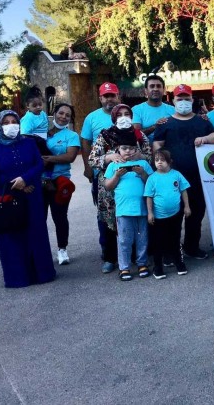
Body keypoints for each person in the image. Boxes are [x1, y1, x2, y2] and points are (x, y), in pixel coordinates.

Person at [0, 110, 56, 288]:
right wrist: (17, 184)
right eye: (6, 122)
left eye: (13, 121)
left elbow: (39, 164)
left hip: (32, 194)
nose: (11, 125)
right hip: (6, 195)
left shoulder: (29, 143)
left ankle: (43, 273)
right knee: (11, 235)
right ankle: (18, 277)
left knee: (36, 231)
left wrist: (25, 179)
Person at [153, 84, 214, 260]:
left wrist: (204, 139)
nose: (183, 102)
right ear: (173, 101)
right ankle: (170, 251)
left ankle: (191, 246)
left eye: (186, 98)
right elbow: (157, 145)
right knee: (172, 216)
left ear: (192, 100)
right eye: (179, 99)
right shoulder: (165, 123)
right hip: (171, 180)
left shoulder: (202, 121)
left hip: (197, 178)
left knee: (196, 215)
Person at [88, 104, 152, 273]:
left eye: (127, 114)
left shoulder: (139, 135)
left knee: (137, 222)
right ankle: (110, 258)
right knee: (111, 223)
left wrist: (140, 156)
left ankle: (138, 259)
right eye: (120, 115)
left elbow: (150, 157)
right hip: (111, 185)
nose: (124, 117)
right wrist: (109, 157)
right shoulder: (105, 135)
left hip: (135, 185)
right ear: (114, 118)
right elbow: (92, 159)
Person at [104, 133, 154, 281]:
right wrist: (117, 176)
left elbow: (151, 183)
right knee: (124, 240)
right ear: (118, 149)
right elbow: (107, 186)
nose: (128, 151)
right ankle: (124, 267)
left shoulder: (143, 164)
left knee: (142, 239)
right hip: (124, 210)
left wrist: (143, 173)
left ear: (136, 149)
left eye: (131, 148)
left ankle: (142, 263)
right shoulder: (114, 166)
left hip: (142, 209)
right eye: (124, 148)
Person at [80, 81, 120, 257]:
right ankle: (108, 253)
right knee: (104, 214)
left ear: (118, 96)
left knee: (129, 211)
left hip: (127, 174)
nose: (109, 99)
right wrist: (88, 168)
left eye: (112, 95)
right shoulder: (92, 117)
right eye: (106, 96)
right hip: (102, 174)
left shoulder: (126, 114)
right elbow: (85, 142)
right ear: (100, 98)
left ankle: (131, 252)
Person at [41, 103, 80, 265]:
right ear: (54, 113)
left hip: (60, 182)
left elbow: (70, 157)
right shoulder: (41, 134)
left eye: (67, 115)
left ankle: (62, 250)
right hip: (39, 182)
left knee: (60, 217)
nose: (63, 117)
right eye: (61, 113)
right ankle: (41, 250)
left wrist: (48, 159)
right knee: (39, 217)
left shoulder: (71, 136)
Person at [144, 149, 191, 278]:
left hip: (175, 215)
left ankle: (179, 264)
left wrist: (187, 206)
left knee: (175, 240)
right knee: (158, 242)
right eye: (157, 160)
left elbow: (183, 191)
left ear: (170, 162)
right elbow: (149, 196)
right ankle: (158, 268)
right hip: (158, 217)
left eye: (163, 160)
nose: (159, 163)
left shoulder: (176, 175)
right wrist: (150, 213)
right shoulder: (152, 178)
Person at [131, 74, 175, 143]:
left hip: (168, 151)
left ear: (163, 90)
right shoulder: (136, 110)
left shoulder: (173, 110)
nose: (155, 89)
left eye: (158, 86)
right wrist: (155, 126)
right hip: (145, 152)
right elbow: (136, 135)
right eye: (152, 86)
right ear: (146, 91)